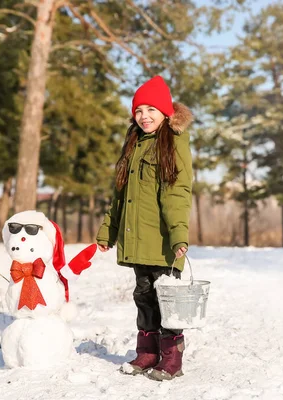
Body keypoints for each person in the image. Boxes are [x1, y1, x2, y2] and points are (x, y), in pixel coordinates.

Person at [96, 75, 193, 381]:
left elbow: (177, 193)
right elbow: (120, 196)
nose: (144, 116)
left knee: (167, 300)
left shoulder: (173, 143)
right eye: (139, 110)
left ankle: (171, 357)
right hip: (137, 240)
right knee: (143, 296)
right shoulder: (134, 143)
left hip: (163, 241)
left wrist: (179, 235)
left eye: (152, 109)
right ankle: (148, 352)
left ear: (166, 113)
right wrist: (108, 231)